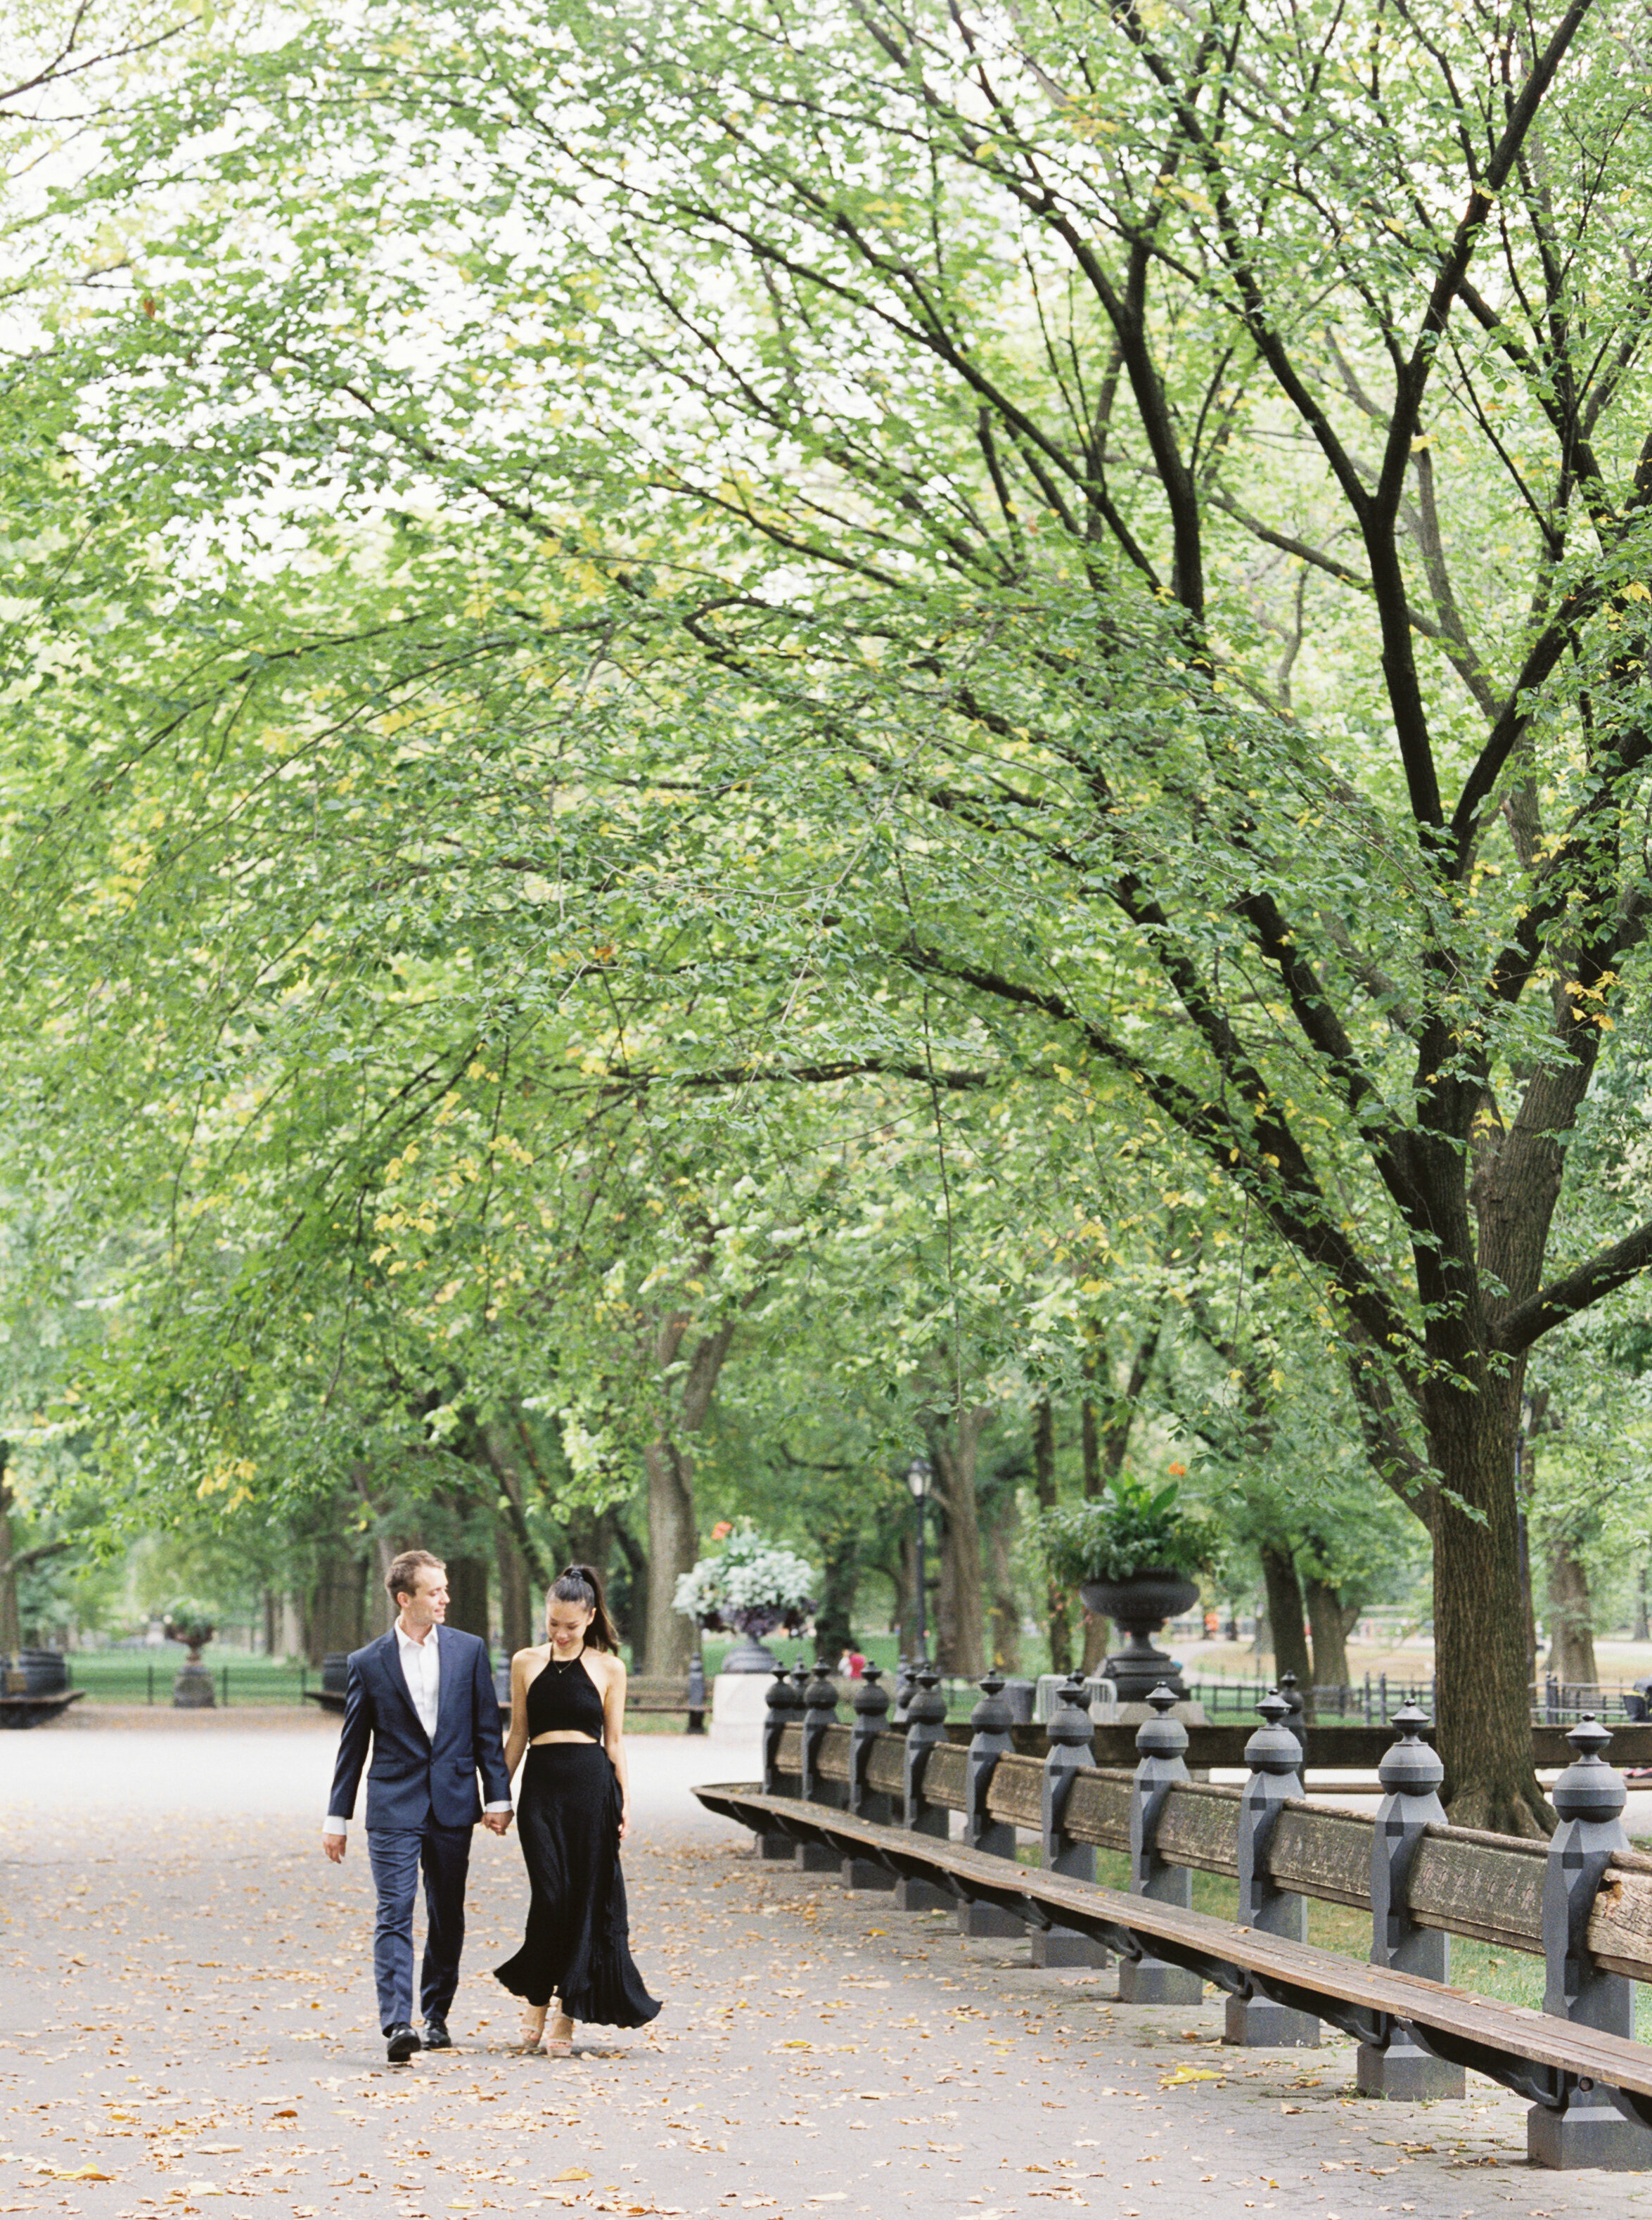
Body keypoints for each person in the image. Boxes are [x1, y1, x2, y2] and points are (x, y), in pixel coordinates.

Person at [322, 1549, 513, 2064]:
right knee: (394, 1910)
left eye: (445, 1589)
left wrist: (497, 1796)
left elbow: (484, 1732)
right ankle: (396, 2024)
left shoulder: (469, 1651)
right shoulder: (367, 1662)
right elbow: (352, 1746)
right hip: (393, 1804)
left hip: (453, 1802)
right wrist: (336, 1817)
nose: (445, 1598)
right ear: (406, 1599)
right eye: (435, 1591)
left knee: (446, 1913)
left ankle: (435, 2015)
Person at [494, 1564, 661, 2053]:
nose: (561, 1634)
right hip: (542, 1789)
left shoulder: (610, 1668)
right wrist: (497, 1796)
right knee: (550, 1896)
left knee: (585, 1899)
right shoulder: (526, 1661)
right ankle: (535, 1998)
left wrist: (625, 1798)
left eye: (570, 1625)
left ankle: (566, 2013)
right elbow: (518, 1734)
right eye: (552, 1624)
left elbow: (615, 1739)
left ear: (589, 1617)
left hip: (592, 1789)